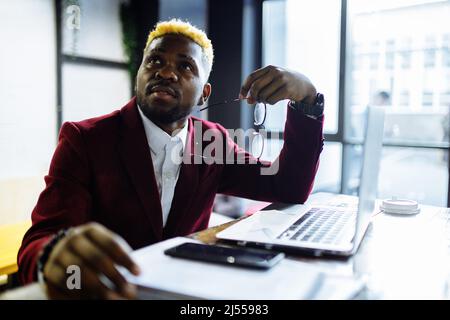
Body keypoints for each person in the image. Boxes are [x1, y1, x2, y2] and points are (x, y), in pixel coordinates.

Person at [17, 19, 324, 299]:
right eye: (154, 61)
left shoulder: (211, 141)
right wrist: (53, 255)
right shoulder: (85, 140)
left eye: (186, 66)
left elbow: (289, 186)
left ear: (204, 94)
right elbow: (40, 242)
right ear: (139, 74)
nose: (165, 72)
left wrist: (307, 98)